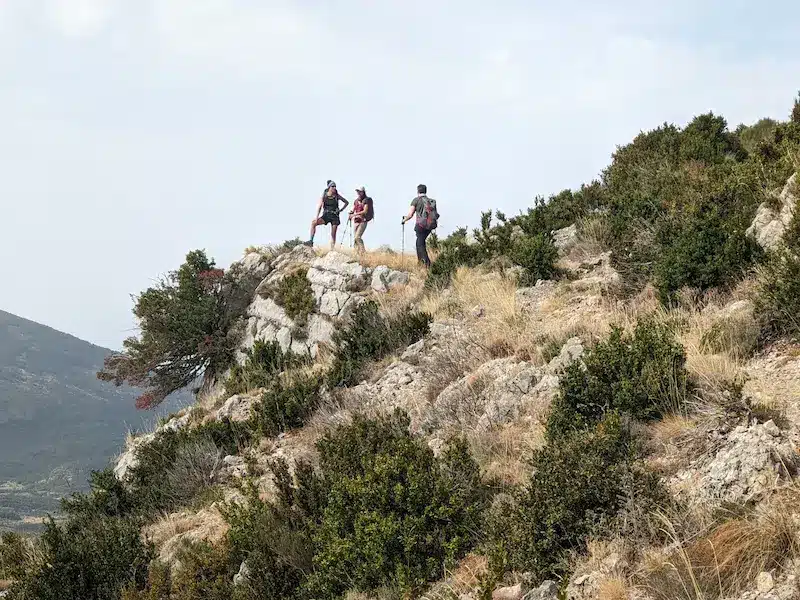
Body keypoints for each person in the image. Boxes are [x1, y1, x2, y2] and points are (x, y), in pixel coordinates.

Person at [402, 183, 438, 267]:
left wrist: (404, 220)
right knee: (420, 242)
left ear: (418, 191)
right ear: (425, 191)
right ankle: (421, 263)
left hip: (420, 225)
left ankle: (426, 263)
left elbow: (410, 214)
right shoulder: (431, 201)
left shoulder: (416, 200)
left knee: (420, 243)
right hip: (430, 226)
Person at [306, 180, 349, 248]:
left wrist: (341, 210)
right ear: (329, 187)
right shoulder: (324, 195)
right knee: (313, 223)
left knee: (333, 234)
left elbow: (346, 202)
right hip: (326, 215)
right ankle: (311, 241)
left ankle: (332, 249)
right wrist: (317, 217)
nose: (334, 188)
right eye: (332, 186)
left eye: (335, 186)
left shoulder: (337, 195)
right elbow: (320, 206)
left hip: (335, 216)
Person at [349, 186, 374, 254]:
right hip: (356, 221)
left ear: (363, 192)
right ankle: (356, 253)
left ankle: (363, 252)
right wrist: (351, 212)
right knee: (355, 238)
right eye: (357, 191)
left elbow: (365, 211)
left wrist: (354, 214)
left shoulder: (366, 200)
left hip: (363, 220)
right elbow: (353, 209)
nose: (358, 193)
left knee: (357, 237)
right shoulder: (356, 201)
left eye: (359, 191)